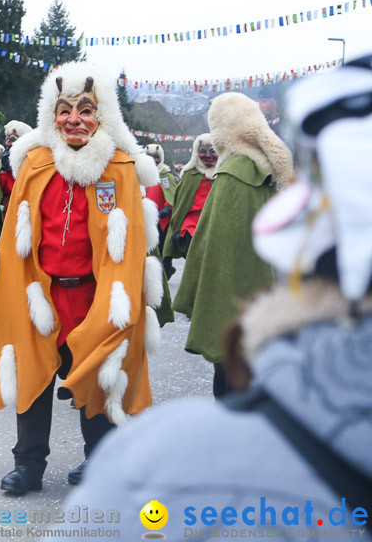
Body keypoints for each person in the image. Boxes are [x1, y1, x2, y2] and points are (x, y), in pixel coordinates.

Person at [63, 60, 372, 536]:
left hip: (238, 314)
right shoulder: (257, 172)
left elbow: (217, 247)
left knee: (228, 378)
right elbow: (194, 222)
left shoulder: (163, 464)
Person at [0, 61, 162, 495]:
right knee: (33, 378)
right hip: (41, 293)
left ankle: (100, 461)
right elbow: (12, 237)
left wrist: (118, 301)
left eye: (85, 110)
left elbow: (129, 244)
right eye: (64, 110)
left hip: (96, 296)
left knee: (99, 376)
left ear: (102, 115)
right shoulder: (36, 164)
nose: (74, 119)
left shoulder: (118, 167)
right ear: (51, 115)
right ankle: (29, 464)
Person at [173, 93, 292, 398]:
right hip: (264, 293)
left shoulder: (233, 173)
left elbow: (216, 249)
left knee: (229, 375)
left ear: (223, 130)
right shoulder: (265, 170)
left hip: (232, 298)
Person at [161, 133, 217, 271]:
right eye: (203, 151)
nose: (208, 155)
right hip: (192, 224)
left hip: (214, 223)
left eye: (213, 151)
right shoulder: (189, 176)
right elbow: (180, 204)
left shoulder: (223, 175)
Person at [0, 120, 32, 211]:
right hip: (6, 208)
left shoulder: (32, 162)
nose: (8, 143)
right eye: (7, 139)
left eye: (13, 139)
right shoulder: (3, 162)